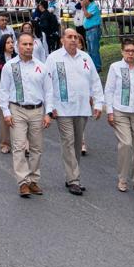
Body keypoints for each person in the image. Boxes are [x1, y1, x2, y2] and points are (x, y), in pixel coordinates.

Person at [44, 28, 103, 195]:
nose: (73, 40)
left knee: (77, 144)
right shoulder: (53, 58)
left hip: (82, 109)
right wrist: (49, 108)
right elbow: (47, 85)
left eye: (75, 37)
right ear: (62, 39)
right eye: (69, 37)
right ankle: (74, 180)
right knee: (68, 142)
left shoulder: (85, 58)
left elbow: (95, 82)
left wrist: (98, 104)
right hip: (62, 110)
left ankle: (71, 175)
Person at [0, 32, 49, 197]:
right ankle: (23, 182)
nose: (28, 47)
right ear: (18, 46)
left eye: (30, 44)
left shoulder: (41, 67)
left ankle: (34, 180)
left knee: (36, 148)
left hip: (37, 111)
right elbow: (3, 90)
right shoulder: (10, 66)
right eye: (24, 44)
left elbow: (49, 91)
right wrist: (6, 112)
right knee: (19, 147)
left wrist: (48, 113)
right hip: (17, 110)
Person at [104, 37, 134, 193]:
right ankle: (122, 178)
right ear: (122, 51)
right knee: (126, 144)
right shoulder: (115, 68)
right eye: (127, 51)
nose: (130, 54)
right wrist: (109, 111)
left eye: (133, 51)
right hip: (120, 111)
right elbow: (109, 90)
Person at [0, 33, 19, 154]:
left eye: (12, 42)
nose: (11, 44)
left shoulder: (18, 58)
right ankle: (5, 143)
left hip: (15, 94)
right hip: (2, 94)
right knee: (4, 120)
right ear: (3, 44)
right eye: (8, 42)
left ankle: (18, 143)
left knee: (17, 120)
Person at [83, 0, 103, 70]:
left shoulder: (93, 6)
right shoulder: (89, 7)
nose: (83, 1)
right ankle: (92, 66)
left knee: (94, 49)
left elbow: (88, 16)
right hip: (89, 30)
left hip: (93, 30)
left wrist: (83, 7)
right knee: (90, 50)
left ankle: (97, 67)